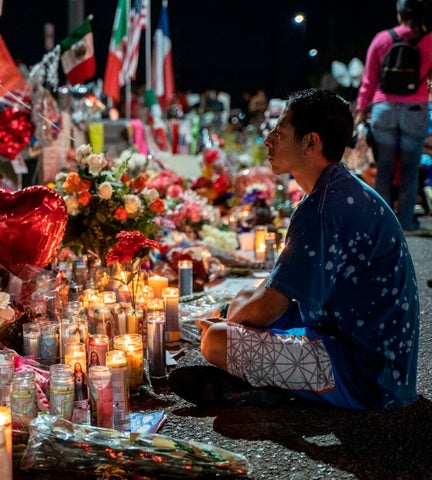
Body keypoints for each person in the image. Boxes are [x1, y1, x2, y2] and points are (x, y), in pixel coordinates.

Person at [170, 88, 419, 410]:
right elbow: (278, 287)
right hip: (368, 348)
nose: (268, 140)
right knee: (237, 307)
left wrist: (232, 323)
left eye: (280, 132)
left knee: (216, 339)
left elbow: (269, 305)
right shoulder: (338, 189)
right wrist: (237, 313)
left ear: (311, 142)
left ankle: (266, 387)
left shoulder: (324, 206)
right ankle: (259, 383)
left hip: (368, 375)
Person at [355, 0, 432, 234]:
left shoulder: (382, 39)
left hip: (384, 108)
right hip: (415, 109)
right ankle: (407, 221)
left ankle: (383, 222)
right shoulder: (429, 41)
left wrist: (360, 109)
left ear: (399, 14)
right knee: (410, 168)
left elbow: (368, 79)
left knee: (385, 167)